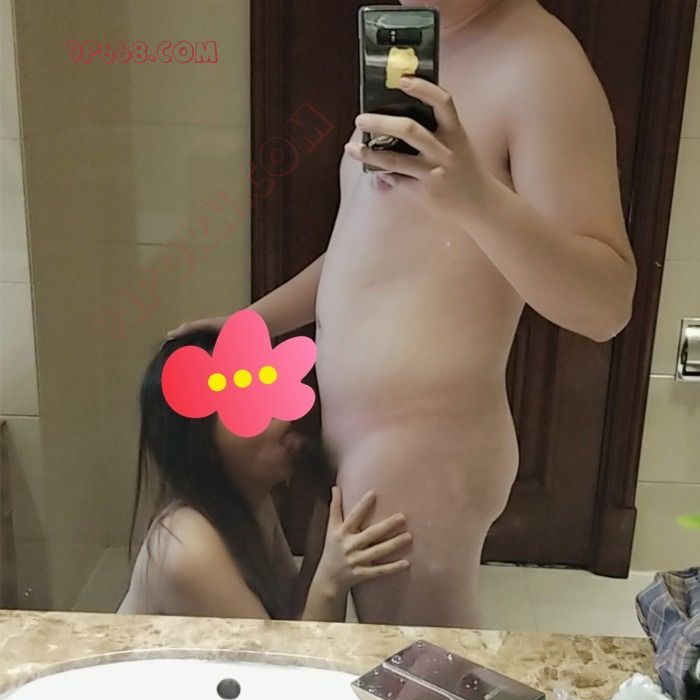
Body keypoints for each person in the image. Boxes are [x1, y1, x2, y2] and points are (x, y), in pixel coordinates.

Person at [168, 0, 636, 627]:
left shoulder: (540, 64)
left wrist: (474, 197)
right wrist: (250, 323)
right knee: (334, 657)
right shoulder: (409, 48)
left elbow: (606, 305)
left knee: (424, 680)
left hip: (425, 447)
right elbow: (370, 249)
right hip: (352, 438)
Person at [118, 330, 412, 620]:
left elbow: (291, 621)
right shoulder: (188, 548)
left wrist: (318, 555)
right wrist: (330, 583)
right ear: (200, 444)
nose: (286, 417)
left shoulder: (255, 504)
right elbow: (280, 652)